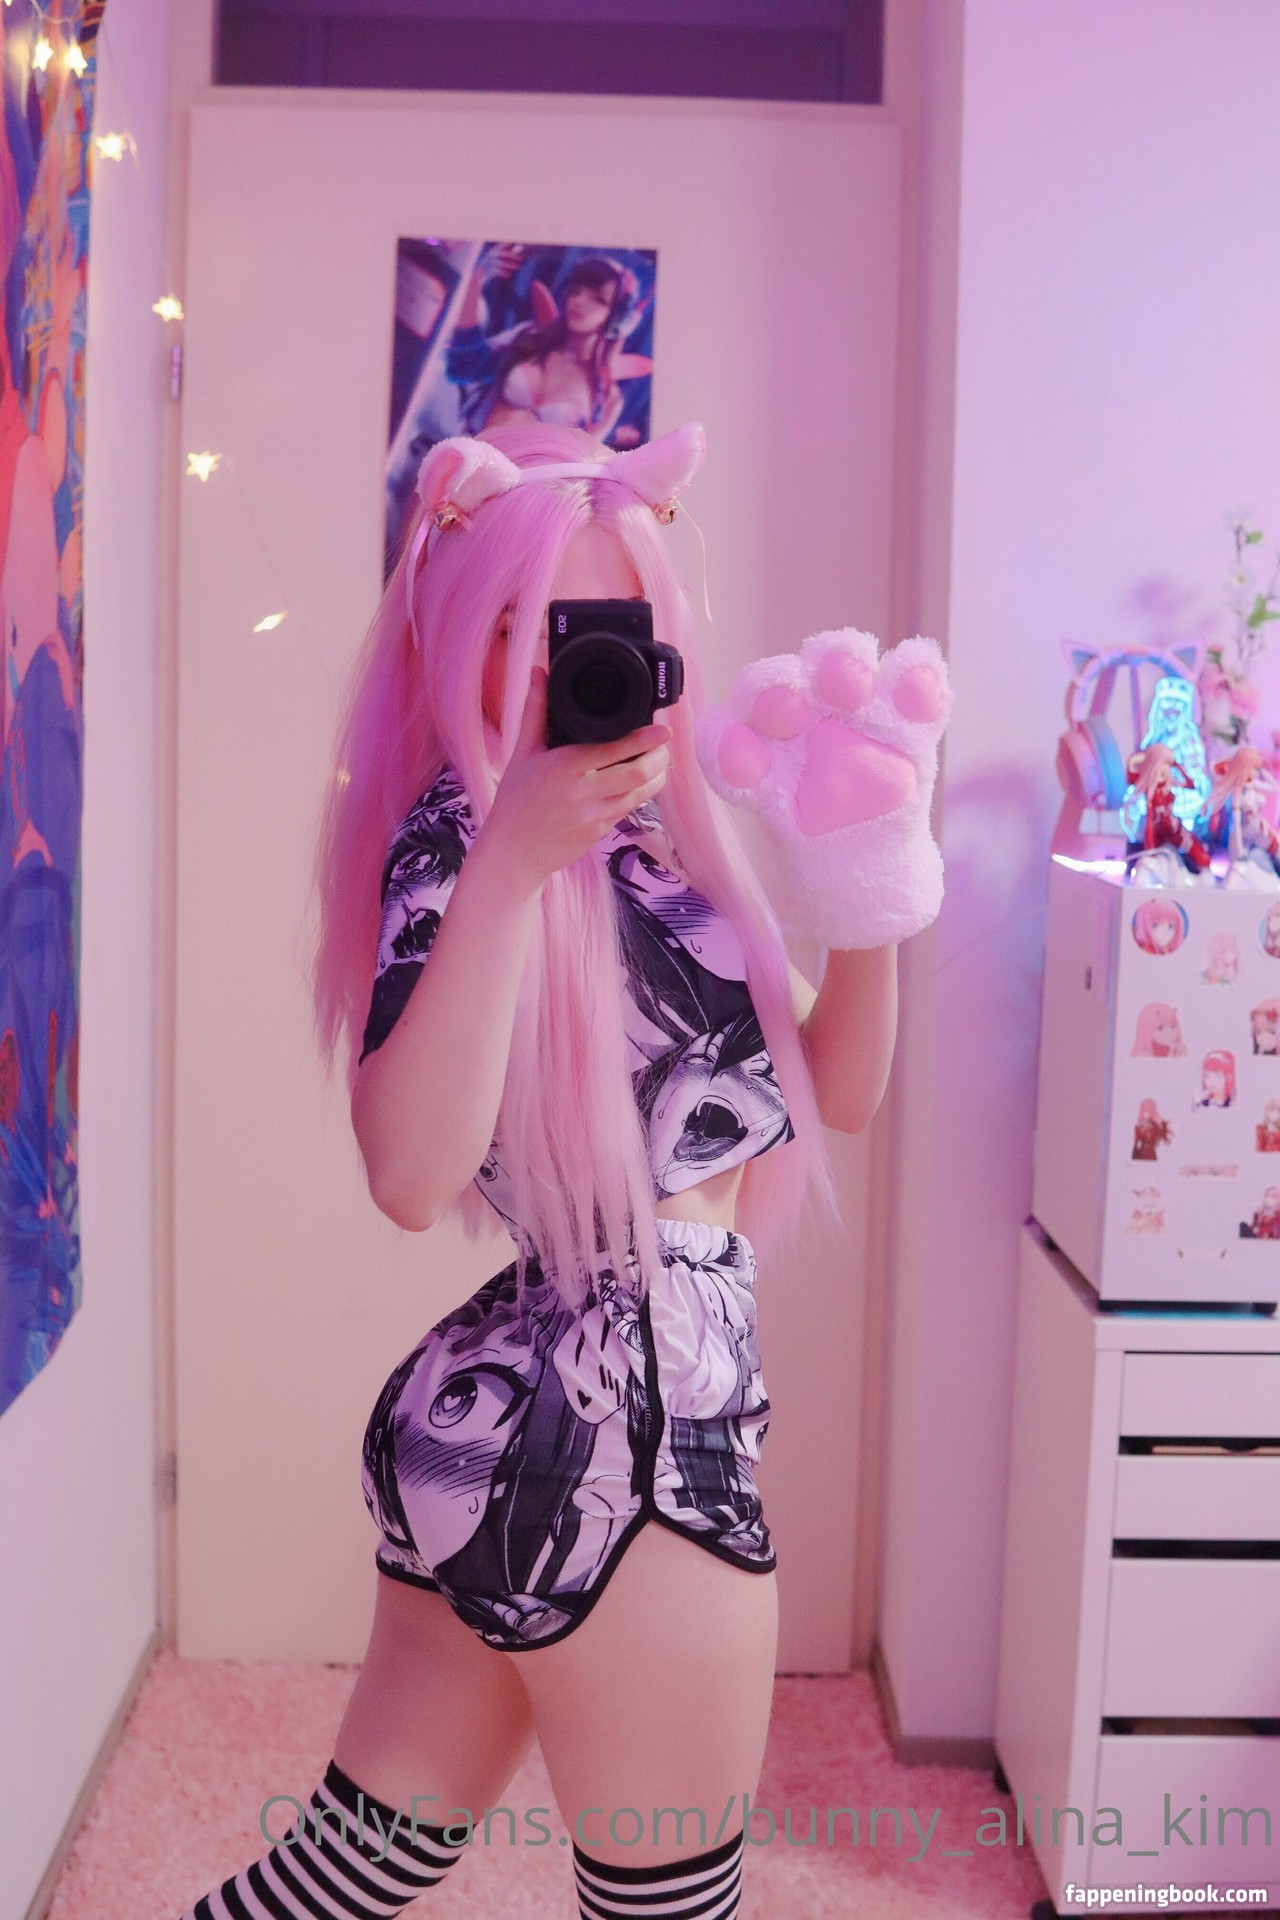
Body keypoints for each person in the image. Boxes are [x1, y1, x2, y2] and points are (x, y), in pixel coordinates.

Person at [177, 420, 924, 1920]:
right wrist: (511, 866)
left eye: (596, 623)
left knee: (345, 1874)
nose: (554, 663)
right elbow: (410, 1171)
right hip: (631, 1449)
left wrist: (869, 886)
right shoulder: (462, 841)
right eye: (518, 624)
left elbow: (836, 1095)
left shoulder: (665, 843)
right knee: (662, 1904)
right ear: (454, 633)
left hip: (512, 1426)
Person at [446, 250, 642, 442]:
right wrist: (473, 284)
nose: (579, 301)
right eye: (576, 291)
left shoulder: (606, 399)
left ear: (617, 318)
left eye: (598, 299)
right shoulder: (528, 338)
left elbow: (582, 459)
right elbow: (464, 367)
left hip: (528, 465)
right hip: (474, 451)